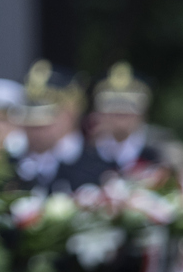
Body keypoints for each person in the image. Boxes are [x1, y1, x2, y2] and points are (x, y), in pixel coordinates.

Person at [10, 60, 113, 192]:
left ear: (70, 114)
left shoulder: (96, 168)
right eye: (30, 122)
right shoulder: (9, 167)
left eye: (48, 117)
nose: (36, 129)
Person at [90, 62, 162, 174]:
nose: (120, 111)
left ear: (144, 111)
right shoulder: (83, 156)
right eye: (111, 105)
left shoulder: (163, 156)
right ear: (99, 112)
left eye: (130, 106)